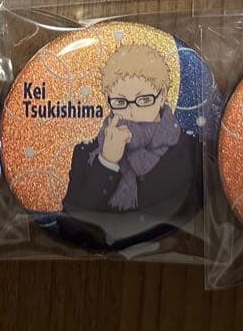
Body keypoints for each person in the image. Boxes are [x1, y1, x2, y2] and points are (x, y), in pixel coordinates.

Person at [60, 44, 201, 250]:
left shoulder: (189, 149)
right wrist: (107, 162)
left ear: (162, 95)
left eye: (144, 100)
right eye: (120, 102)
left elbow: (197, 210)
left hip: (174, 250)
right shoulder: (86, 153)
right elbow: (70, 227)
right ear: (108, 100)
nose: (132, 112)